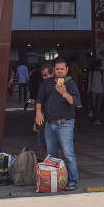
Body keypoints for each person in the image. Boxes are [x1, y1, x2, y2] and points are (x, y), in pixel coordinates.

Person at [35, 57, 79, 191]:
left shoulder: (70, 83)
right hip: (49, 123)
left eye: (62, 69)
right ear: (54, 70)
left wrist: (64, 93)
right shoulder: (47, 83)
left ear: (66, 70)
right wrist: (38, 112)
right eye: (57, 69)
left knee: (68, 153)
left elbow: (75, 102)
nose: (60, 71)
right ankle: (56, 181)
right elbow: (40, 99)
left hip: (65, 123)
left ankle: (73, 181)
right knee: (51, 154)